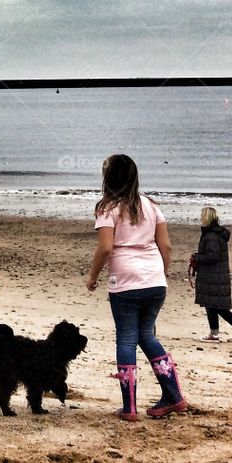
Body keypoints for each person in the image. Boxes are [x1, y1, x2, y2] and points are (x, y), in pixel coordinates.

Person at [86, 153, 187, 421]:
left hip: (125, 282)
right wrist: (161, 273)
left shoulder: (107, 209)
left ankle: (129, 406)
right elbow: (166, 245)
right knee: (147, 335)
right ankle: (173, 395)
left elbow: (106, 247)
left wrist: (92, 277)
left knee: (127, 338)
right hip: (154, 280)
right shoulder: (151, 206)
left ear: (109, 179)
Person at [192, 206, 232, 342]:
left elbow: (213, 256)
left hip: (213, 275)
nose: (200, 218)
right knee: (212, 304)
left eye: (202, 215)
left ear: (206, 218)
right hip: (215, 275)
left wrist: (197, 257)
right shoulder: (215, 234)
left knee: (214, 305)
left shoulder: (211, 235)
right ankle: (216, 333)